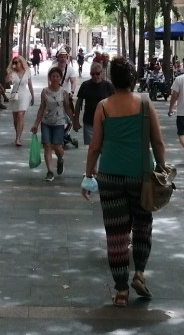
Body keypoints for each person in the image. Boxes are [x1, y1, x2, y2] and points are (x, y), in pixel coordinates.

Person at [80, 57, 168, 307]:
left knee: (116, 234)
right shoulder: (145, 103)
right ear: (132, 79)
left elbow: (95, 145)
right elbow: (158, 142)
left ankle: (120, 291)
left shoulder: (103, 107)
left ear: (112, 80)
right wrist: (161, 168)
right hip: (142, 176)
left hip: (110, 177)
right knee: (142, 227)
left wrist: (88, 174)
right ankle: (139, 273)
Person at [32, 66, 75, 180]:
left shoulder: (63, 93)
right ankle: (50, 171)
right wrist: (36, 124)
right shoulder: (45, 92)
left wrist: (74, 121)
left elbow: (67, 108)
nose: (55, 78)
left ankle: (60, 159)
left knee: (57, 147)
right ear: (50, 78)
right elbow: (41, 108)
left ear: (60, 78)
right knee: (47, 146)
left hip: (59, 122)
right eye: (53, 76)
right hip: (46, 122)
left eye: (57, 76)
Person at [74, 60, 116, 149]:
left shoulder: (108, 86)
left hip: (105, 122)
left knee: (104, 148)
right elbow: (78, 103)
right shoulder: (85, 85)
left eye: (97, 74)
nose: (95, 76)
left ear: (101, 73)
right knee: (91, 149)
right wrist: (75, 120)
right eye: (92, 74)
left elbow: (115, 104)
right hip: (89, 122)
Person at [5, 55, 35, 146]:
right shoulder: (12, 72)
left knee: (20, 115)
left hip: (24, 95)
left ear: (21, 63)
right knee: (15, 118)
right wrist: (10, 71)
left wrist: (33, 96)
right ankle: (17, 134)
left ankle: (18, 138)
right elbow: (6, 81)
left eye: (16, 62)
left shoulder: (27, 72)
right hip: (15, 95)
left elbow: (30, 85)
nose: (15, 64)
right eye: (13, 62)